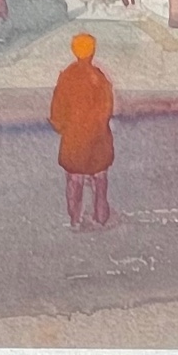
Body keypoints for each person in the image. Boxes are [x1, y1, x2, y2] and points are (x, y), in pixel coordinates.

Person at [49, 33, 115, 230]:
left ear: (74, 51)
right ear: (92, 52)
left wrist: (63, 127)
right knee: (100, 182)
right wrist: (98, 126)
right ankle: (101, 218)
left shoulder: (67, 77)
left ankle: (75, 219)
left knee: (74, 181)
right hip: (98, 140)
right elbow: (107, 108)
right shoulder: (99, 78)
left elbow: (57, 111)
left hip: (74, 140)